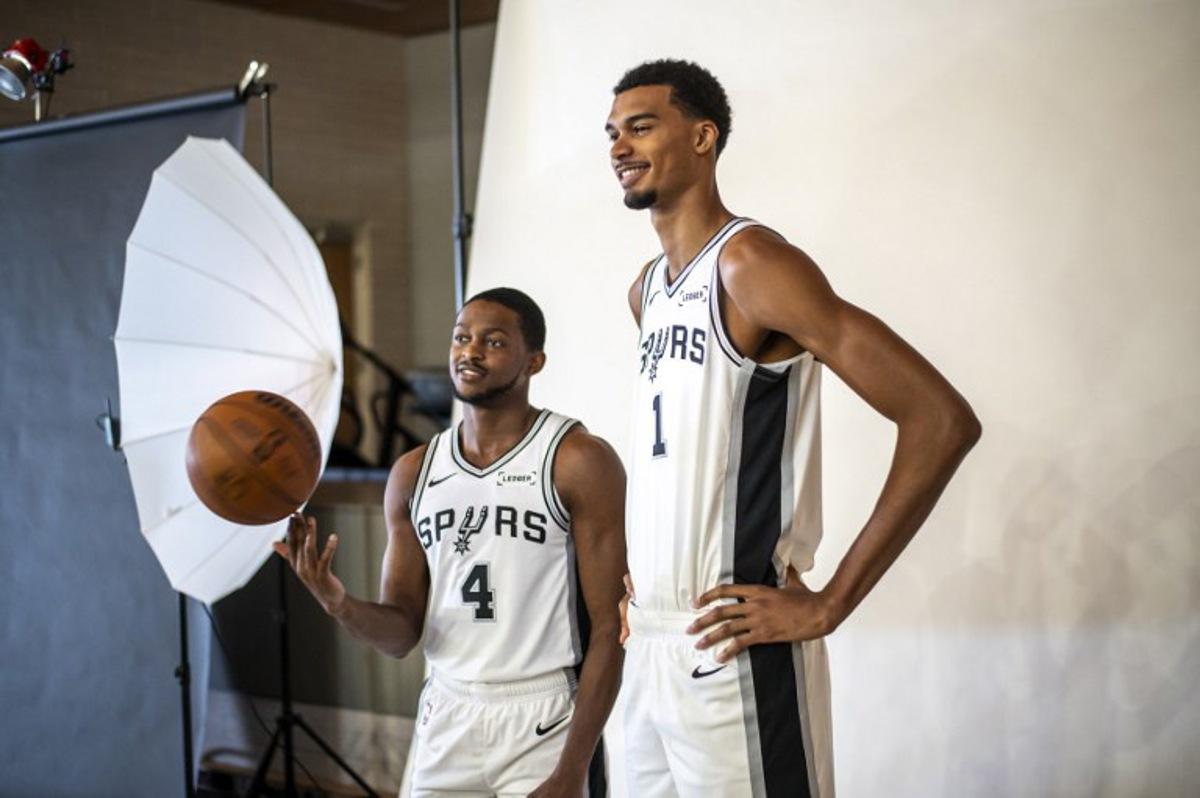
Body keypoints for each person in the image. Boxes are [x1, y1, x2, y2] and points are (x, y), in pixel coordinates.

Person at [604, 59, 981, 797]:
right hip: (649, 645)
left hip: (733, 647)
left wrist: (832, 601)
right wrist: (646, 585)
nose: (619, 145)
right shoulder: (646, 291)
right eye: (612, 132)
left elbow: (940, 420)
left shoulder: (752, 264)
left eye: (641, 126)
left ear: (704, 136)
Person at [275, 288, 627, 797]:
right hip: (447, 710)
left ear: (535, 360)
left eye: (494, 341)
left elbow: (611, 626)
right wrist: (338, 602)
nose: (470, 351)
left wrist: (572, 769)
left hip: (544, 715)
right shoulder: (414, 473)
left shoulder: (576, 460)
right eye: (461, 338)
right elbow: (400, 635)